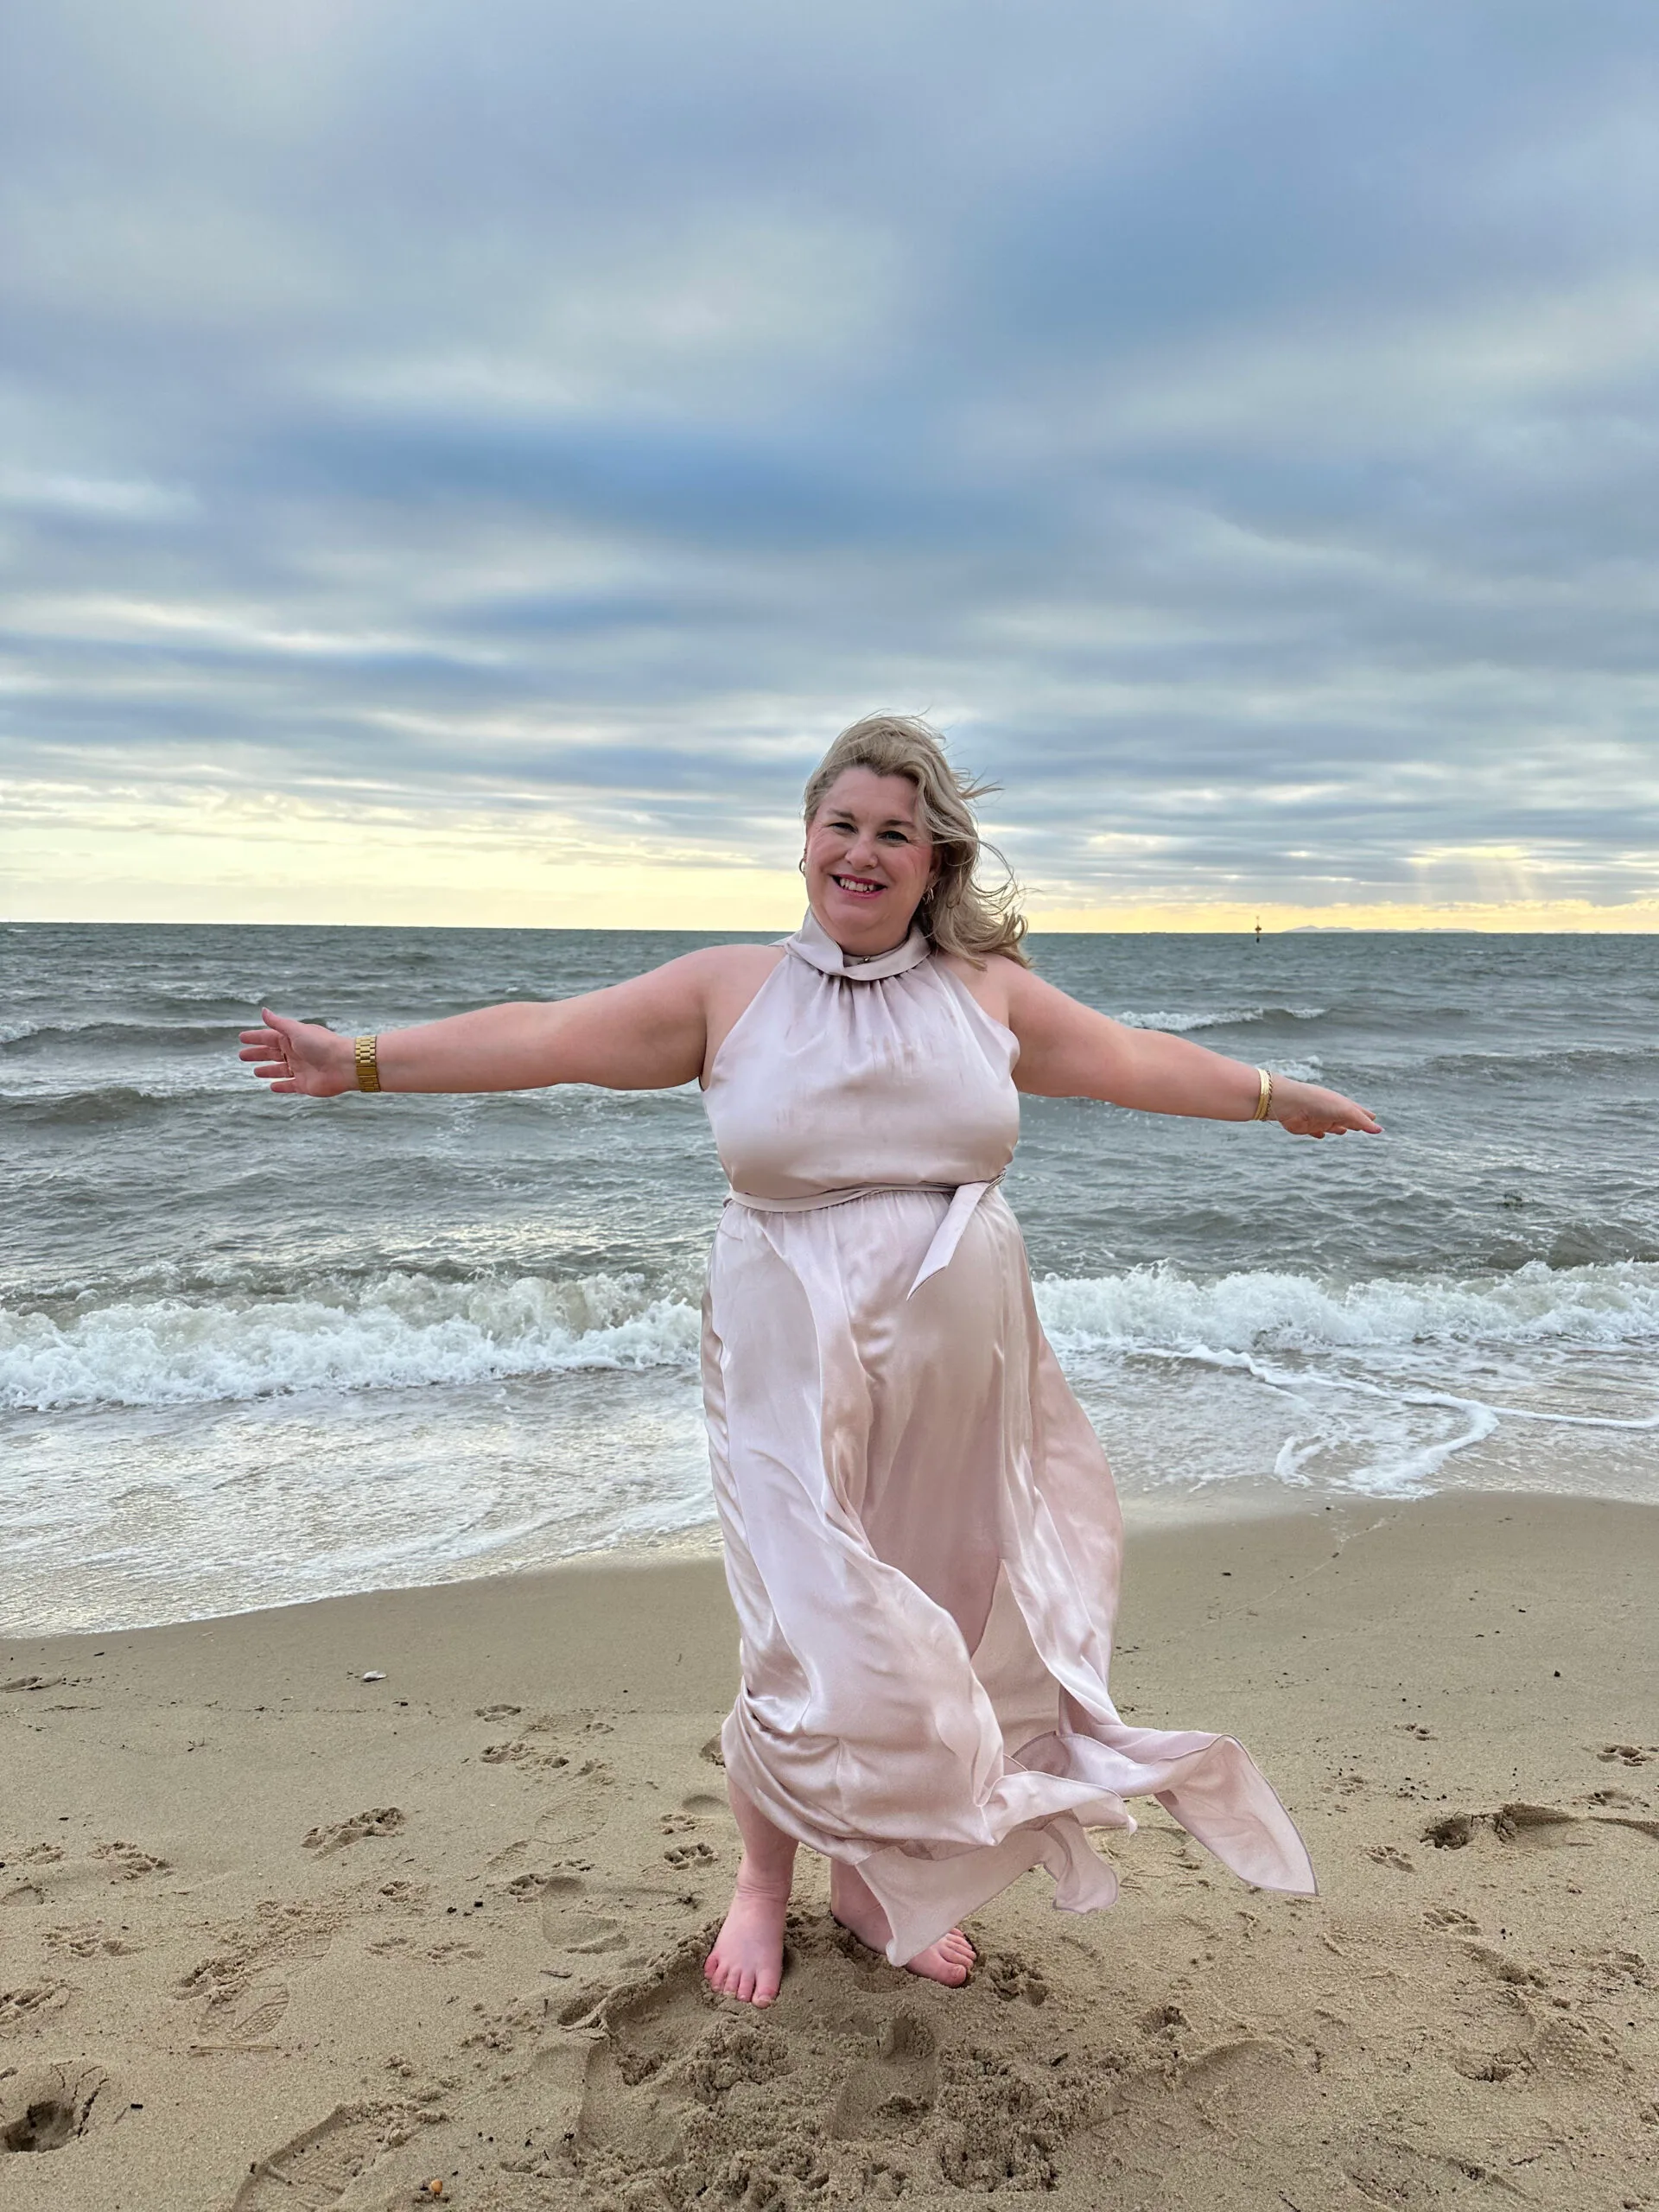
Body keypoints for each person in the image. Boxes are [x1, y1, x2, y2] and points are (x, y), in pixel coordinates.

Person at [241, 713, 1381, 2011]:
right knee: (807, 1629)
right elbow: (550, 1036)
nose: (861, 851)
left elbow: (1125, 1059)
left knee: (938, 1627)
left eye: (894, 831)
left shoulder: (984, 992)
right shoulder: (730, 991)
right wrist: (363, 1061)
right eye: (840, 824)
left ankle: (874, 1874)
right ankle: (763, 1882)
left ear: (934, 860)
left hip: (962, 1365)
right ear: (804, 843)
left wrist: (1267, 1091)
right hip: (790, 1350)